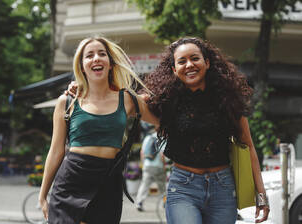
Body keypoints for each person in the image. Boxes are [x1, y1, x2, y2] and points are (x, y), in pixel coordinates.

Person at [144, 37, 269, 224]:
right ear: (174, 70)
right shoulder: (166, 102)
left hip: (223, 188)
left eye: (195, 58)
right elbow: (131, 105)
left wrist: (261, 195)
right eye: (182, 61)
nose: (189, 65)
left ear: (207, 62)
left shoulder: (228, 100)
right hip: (183, 189)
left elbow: (248, 147)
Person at [38, 36, 159, 224]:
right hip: (71, 182)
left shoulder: (127, 99)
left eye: (102, 54)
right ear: (81, 66)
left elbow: (160, 122)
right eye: (89, 55)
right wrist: (43, 194)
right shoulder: (67, 102)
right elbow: (55, 151)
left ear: (110, 63)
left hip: (108, 183)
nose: (96, 58)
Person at [135, 124, 166, 212]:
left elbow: (142, 152)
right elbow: (162, 155)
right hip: (158, 166)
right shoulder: (162, 139)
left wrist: (143, 164)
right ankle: (165, 202)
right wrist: (164, 166)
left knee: (144, 185)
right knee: (162, 186)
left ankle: (139, 203)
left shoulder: (147, 138)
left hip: (147, 166)